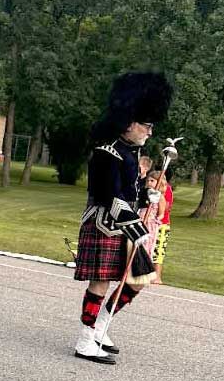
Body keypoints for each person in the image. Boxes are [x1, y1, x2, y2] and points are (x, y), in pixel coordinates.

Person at [72, 72, 172, 365]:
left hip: (126, 228)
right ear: (130, 123)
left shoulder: (131, 153)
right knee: (100, 283)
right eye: (147, 125)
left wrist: (147, 197)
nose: (150, 132)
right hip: (104, 224)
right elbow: (107, 196)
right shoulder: (106, 153)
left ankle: (101, 327)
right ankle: (84, 340)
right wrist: (135, 225)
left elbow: (132, 192)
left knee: (140, 279)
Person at [152, 172, 173, 285]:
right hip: (151, 224)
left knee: (159, 250)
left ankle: (157, 276)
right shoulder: (150, 190)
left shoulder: (167, 190)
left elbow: (167, 208)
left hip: (162, 224)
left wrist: (161, 196)